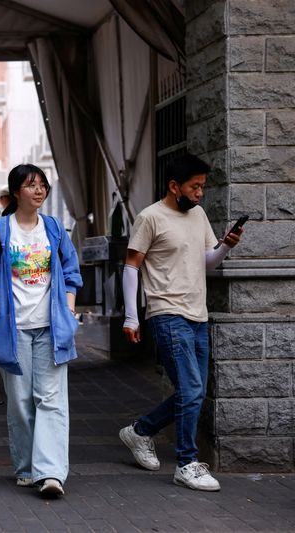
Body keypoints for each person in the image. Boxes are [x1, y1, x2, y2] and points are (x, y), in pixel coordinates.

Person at [119, 153, 243, 492]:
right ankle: (186, 463)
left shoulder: (198, 215)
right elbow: (131, 266)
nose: (201, 193)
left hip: (198, 315)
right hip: (167, 313)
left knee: (194, 392)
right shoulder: (150, 218)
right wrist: (132, 316)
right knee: (191, 391)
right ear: (174, 187)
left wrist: (226, 247)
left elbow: (206, 264)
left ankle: (140, 431)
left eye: (203, 186)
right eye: (195, 187)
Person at [0, 164, 82, 498]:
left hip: (50, 327)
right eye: (31, 185)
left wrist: (68, 308)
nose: (39, 191)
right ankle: (25, 467)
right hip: (14, 327)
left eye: (43, 185)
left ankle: (50, 473)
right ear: (16, 191)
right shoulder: (0, 231)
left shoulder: (54, 229)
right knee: (20, 402)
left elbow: (71, 270)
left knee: (50, 400)